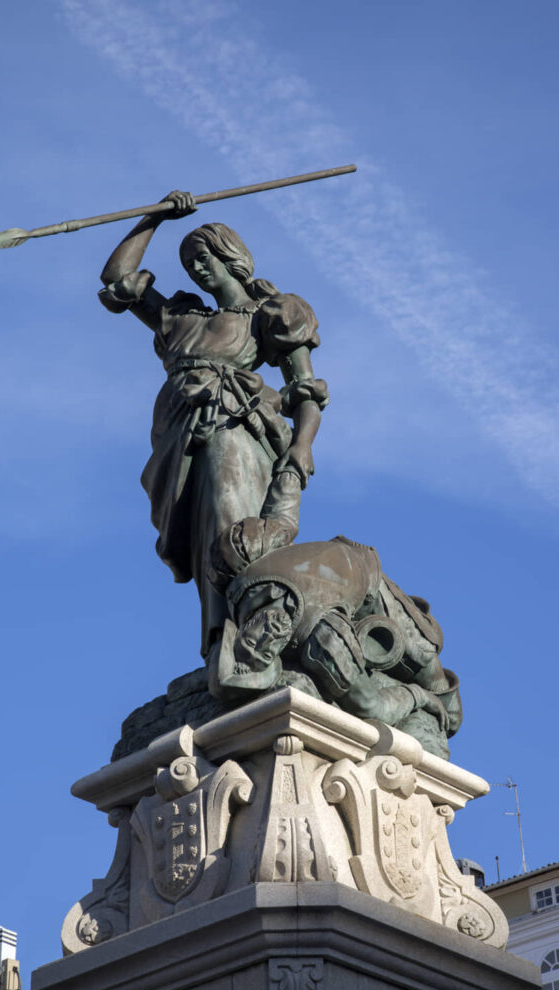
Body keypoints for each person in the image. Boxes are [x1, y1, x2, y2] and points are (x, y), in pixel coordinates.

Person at [98, 191, 329, 658]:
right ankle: (217, 640)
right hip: (179, 438)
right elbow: (118, 280)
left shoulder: (268, 314)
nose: (197, 269)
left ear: (230, 254)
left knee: (233, 528)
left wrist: (301, 447)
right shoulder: (180, 318)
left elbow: (306, 390)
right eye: (189, 263)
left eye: (203, 257)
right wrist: (154, 217)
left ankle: (251, 635)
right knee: (206, 538)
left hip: (234, 426)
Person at [208, 535, 463, 759]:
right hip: (365, 591)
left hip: (364, 567)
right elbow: (371, 707)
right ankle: (439, 708)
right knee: (437, 691)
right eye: (264, 653)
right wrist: (419, 697)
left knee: (428, 659)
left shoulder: (240, 592)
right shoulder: (324, 639)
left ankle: (445, 706)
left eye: (251, 641)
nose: (267, 635)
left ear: (240, 634)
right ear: (274, 659)